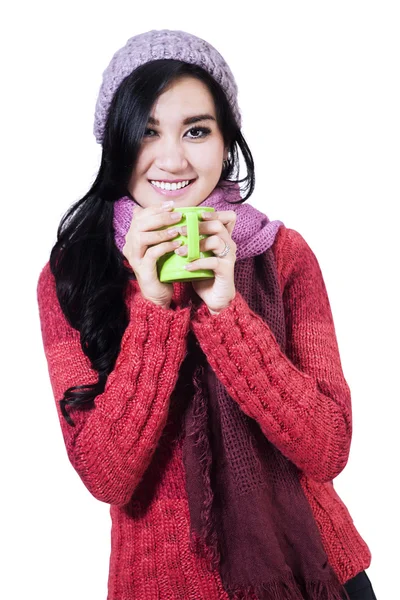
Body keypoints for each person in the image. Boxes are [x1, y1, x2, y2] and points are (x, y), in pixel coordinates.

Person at [36, 29, 378, 600]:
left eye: (196, 130)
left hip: (315, 574)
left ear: (226, 141)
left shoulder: (282, 255)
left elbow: (329, 447)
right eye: (146, 132)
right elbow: (106, 472)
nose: (172, 159)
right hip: (162, 584)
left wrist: (226, 309)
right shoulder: (70, 278)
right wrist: (153, 305)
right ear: (115, 144)